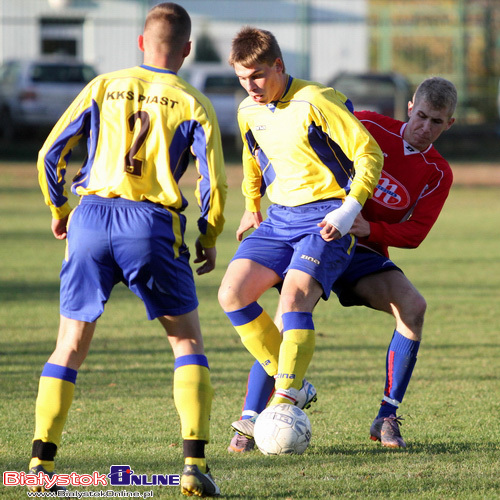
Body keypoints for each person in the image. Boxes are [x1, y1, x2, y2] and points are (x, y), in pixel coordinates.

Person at [29, 3, 226, 497]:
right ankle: (193, 467)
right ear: (185, 49)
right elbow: (214, 184)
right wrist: (208, 235)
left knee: (69, 345)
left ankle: (39, 464)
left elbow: (50, 153)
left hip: (91, 218)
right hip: (151, 225)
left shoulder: (102, 85)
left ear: (141, 42)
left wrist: (59, 209)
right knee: (186, 343)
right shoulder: (192, 101)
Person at [227, 76, 457, 453]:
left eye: (437, 122)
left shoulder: (437, 173)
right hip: (318, 233)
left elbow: (415, 232)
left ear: (449, 124)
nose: (425, 128)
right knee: (289, 311)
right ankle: (252, 417)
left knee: (413, 308)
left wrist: (372, 227)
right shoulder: (368, 124)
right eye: (422, 116)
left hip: (364, 252)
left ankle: (387, 415)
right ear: (410, 108)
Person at [217, 26, 384, 452]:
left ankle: (285, 398)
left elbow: (369, 153)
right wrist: (252, 205)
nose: (250, 86)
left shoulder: (317, 100)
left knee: (293, 297)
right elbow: (252, 157)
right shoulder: (247, 110)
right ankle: (297, 382)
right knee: (232, 294)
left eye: (257, 75)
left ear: (279, 65)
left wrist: (349, 210)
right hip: (278, 219)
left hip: (326, 215)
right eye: (241, 77)